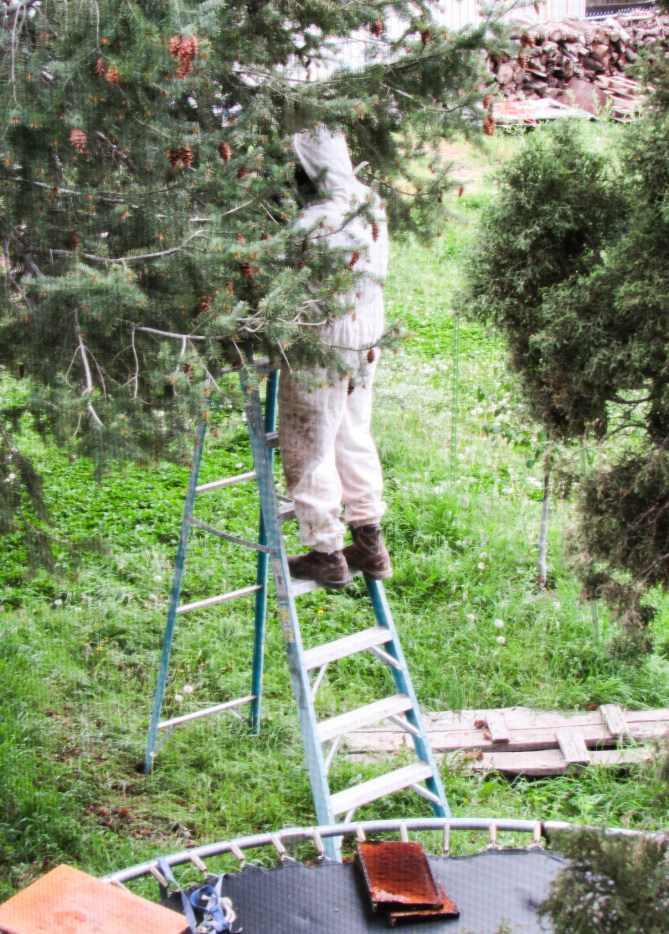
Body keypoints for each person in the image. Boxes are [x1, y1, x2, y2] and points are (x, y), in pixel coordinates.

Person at [278, 125, 391, 589]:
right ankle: (369, 540)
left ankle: (325, 551)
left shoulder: (313, 221)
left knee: (311, 442)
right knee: (352, 430)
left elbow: (283, 284)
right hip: (367, 330)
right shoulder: (369, 202)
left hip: (323, 335)